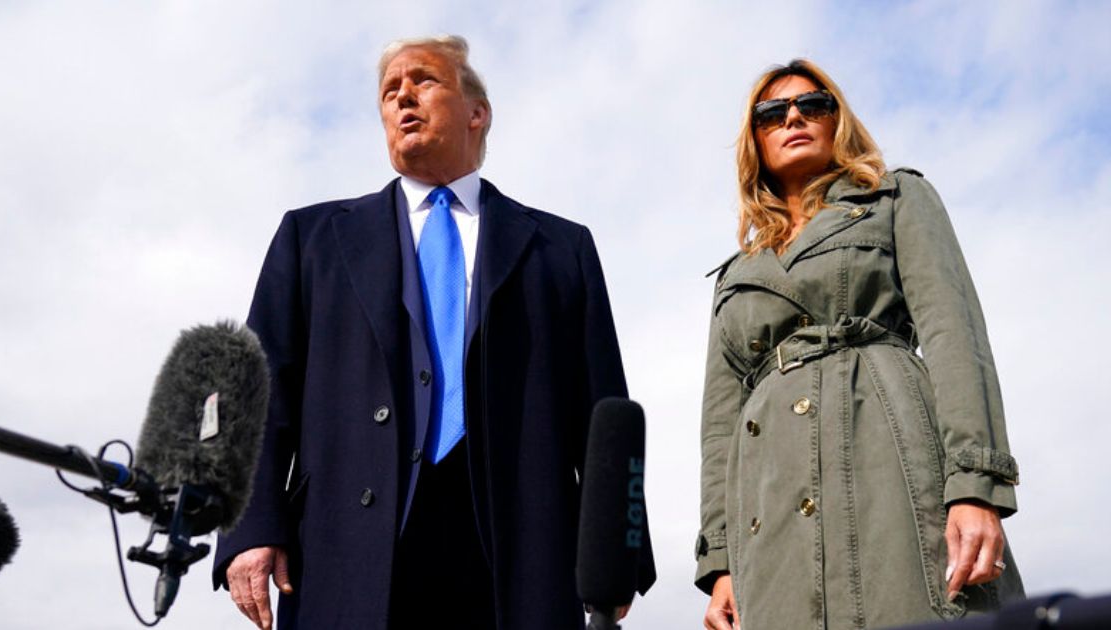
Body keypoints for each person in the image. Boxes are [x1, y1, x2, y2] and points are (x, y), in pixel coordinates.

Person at [212, 35, 655, 630]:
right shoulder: (311, 238)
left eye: (423, 81)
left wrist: (617, 556)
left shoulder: (560, 248)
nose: (401, 98)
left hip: (517, 559)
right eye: (389, 91)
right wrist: (250, 527)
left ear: (477, 112)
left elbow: (603, 414)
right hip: (348, 553)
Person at [695, 59, 1023, 630]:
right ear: (755, 140)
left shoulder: (896, 200)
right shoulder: (734, 274)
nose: (794, 116)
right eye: (772, 113)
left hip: (886, 466)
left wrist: (976, 488)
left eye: (813, 104)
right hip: (769, 517)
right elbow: (720, 426)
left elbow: (953, 336)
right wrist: (721, 563)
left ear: (836, 119)